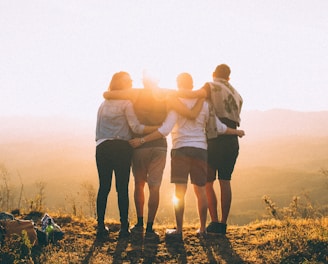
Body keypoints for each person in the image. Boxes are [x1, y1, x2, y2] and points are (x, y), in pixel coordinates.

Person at [129, 73, 245, 238]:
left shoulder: (176, 103)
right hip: (201, 150)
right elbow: (219, 127)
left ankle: (179, 230)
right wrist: (237, 132)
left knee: (179, 192)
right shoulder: (205, 104)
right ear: (192, 85)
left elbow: (165, 129)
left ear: (178, 84)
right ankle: (203, 229)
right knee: (201, 191)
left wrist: (142, 140)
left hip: (180, 149)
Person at [103, 72, 203, 239]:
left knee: (139, 184)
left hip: (138, 146)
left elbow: (108, 94)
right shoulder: (166, 93)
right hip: (159, 145)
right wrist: (201, 93)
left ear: (143, 81)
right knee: (154, 187)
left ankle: (139, 223)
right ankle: (150, 228)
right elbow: (188, 94)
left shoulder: (135, 93)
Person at [179, 64, 243, 235]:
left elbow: (194, 95)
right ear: (229, 77)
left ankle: (213, 222)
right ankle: (223, 224)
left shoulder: (210, 86)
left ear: (214, 74)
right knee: (225, 181)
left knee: (208, 182)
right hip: (232, 140)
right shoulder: (237, 94)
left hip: (215, 138)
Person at [95, 71, 158, 240]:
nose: (131, 82)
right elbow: (136, 128)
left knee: (104, 187)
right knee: (122, 188)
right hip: (121, 147)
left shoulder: (103, 103)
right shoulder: (127, 103)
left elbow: (98, 130)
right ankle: (124, 228)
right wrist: (157, 128)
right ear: (121, 84)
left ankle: (100, 226)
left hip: (102, 147)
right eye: (128, 81)